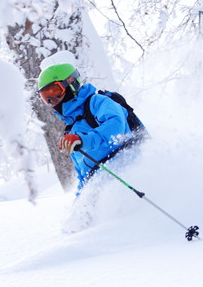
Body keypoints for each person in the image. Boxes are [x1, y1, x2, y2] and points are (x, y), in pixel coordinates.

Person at [37, 62, 146, 193]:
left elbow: (116, 125)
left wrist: (83, 140)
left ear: (70, 83)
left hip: (124, 166)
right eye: (45, 96)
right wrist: (80, 201)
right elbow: (83, 174)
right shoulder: (70, 130)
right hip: (98, 183)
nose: (51, 100)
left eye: (54, 91)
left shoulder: (97, 102)